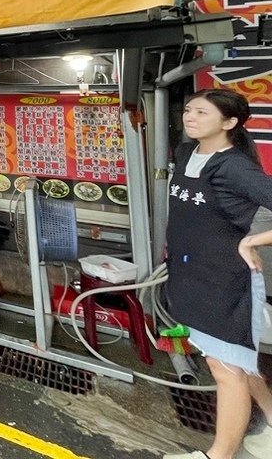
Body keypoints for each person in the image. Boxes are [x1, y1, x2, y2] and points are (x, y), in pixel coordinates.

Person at [162, 90, 272, 459]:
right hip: (193, 275)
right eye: (189, 109)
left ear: (229, 123)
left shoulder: (234, 166)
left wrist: (254, 239)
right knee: (237, 361)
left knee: (227, 370)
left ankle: (218, 456)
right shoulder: (185, 152)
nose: (189, 117)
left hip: (226, 282)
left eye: (202, 112)